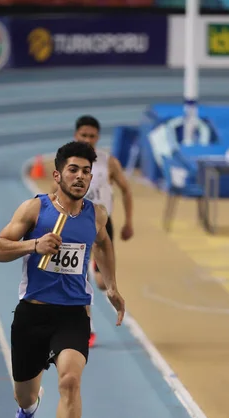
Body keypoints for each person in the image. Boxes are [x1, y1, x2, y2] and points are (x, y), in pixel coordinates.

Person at [0, 141, 125, 418]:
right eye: (73, 170)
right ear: (57, 175)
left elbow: (104, 244)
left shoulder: (96, 215)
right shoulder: (35, 210)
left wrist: (110, 286)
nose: (80, 177)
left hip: (73, 315)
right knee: (25, 392)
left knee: (69, 381)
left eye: (85, 171)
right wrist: (33, 245)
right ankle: (28, 407)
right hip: (33, 315)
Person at [73, 115, 134, 347]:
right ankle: (87, 327)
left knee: (101, 282)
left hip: (101, 225)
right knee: (80, 278)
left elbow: (126, 190)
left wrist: (129, 222)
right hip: (75, 225)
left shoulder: (108, 162)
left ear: (98, 137)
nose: (88, 139)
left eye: (92, 136)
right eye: (83, 135)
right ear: (76, 135)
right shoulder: (69, 162)